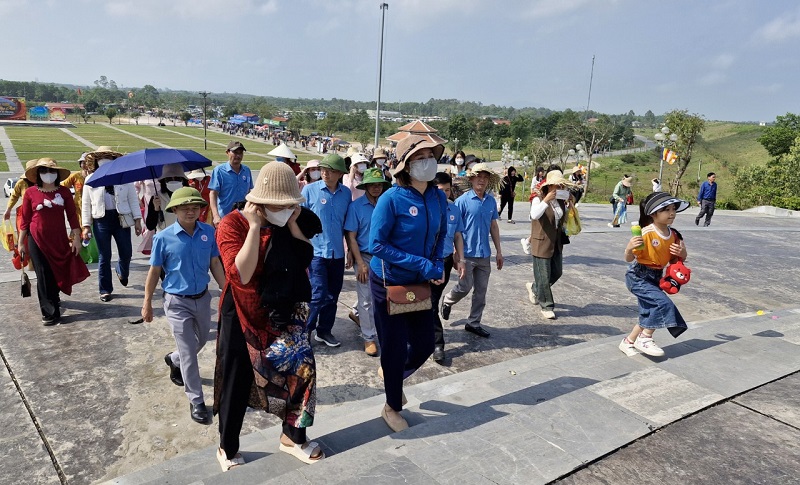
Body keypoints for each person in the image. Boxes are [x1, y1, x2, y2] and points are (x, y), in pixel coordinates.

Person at [214, 162, 323, 471]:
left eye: (292, 204)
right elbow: (242, 275)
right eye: (281, 205)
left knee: (302, 373)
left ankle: (293, 437)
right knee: (236, 381)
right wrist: (252, 227)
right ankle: (226, 447)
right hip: (243, 312)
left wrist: (290, 223)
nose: (287, 209)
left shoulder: (287, 222)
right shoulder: (232, 225)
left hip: (284, 311)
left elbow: (305, 256)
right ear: (260, 201)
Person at [369, 134, 447, 432]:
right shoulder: (391, 198)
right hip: (390, 282)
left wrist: (437, 262)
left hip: (421, 282)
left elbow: (440, 234)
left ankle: (393, 375)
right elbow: (376, 245)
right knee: (394, 347)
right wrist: (422, 264)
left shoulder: (439, 196)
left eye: (431, 155)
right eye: (420, 157)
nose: (428, 161)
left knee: (425, 343)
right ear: (405, 165)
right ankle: (391, 406)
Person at [141, 187, 225, 424]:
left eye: (195, 207)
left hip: (202, 298)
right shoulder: (163, 238)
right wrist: (146, 302)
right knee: (190, 352)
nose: (191, 211)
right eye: (185, 208)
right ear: (174, 209)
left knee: (199, 341)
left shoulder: (208, 232)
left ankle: (173, 359)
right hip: (177, 302)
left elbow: (215, 263)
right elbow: (155, 271)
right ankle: (196, 399)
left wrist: (225, 288)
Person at [18, 158, 90, 325]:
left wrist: (77, 239)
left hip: (58, 239)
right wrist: (21, 243)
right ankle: (49, 312)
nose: (48, 175)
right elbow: (25, 220)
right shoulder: (30, 193)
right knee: (42, 274)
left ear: (57, 173)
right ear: (37, 174)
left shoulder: (64, 192)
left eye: (51, 171)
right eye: (43, 171)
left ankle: (54, 296)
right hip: (37, 239)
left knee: (57, 270)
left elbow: (72, 217)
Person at [620, 192, 689, 357]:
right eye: (666, 209)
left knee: (648, 313)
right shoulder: (646, 233)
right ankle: (645, 338)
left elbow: (680, 259)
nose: (671, 213)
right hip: (638, 276)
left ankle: (628, 342)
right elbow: (629, 258)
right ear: (653, 214)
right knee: (663, 304)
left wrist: (682, 252)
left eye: (673, 209)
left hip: (656, 276)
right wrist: (629, 248)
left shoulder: (674, 235)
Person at [441, 162, 503, 338]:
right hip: (466, 253)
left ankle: (473, 322)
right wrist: (456, 253)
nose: (481, 180)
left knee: (481, 291)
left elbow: (493, 226)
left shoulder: (490, 201)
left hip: (484, 253)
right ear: (472, 179)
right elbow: (455, 230)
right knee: (465, 287)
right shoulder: (462, 202)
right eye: (478, 177)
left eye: (485, 177)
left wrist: (499, 251)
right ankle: (447, 300)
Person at [301, 153, 351, 347]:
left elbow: (348, 225)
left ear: (340, 174)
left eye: (330, 171)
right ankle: (306, 331)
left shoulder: (345, 193)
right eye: (322, 170)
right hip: (316, 252)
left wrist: (351, 253)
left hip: (337, 253)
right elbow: (299, 220)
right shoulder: (309, 190)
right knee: (318, 294)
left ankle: (324, 331)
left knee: (332, 295)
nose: (325, 174)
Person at [82, 146, 143, 302]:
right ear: (96, 162)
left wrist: (137, 220)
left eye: (108, 159)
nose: (105, 162)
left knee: (126, 252)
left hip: (121, 218)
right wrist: (86, 225)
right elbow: (86, 203)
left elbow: (133, 199)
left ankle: (122, 271)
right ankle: (105, 289)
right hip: (101, 220)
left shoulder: (123, 177)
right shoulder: (91, 179)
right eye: (101, 159)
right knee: (105, 256)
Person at [344, 168, 390, 357]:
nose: (376, 188)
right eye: (372, 184)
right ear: (366, 186)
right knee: (366, 299)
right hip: (364, 255)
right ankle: (369, 337)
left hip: (385, 257)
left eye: (379, 184)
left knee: (383, 296)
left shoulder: (388, 205)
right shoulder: (356, 207)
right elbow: (351, 236)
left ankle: (361, 317)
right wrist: (360, 263)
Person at [528, 170, 575, 320]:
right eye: (557, 185)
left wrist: (570, 204)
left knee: (557, 272)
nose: (560, 187)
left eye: (562, 185)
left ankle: (535, 288)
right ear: (549, 186)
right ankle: (547, 305)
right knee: (543, 275)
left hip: (556, 241)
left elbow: (562, 218)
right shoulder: (538, 198)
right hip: (541, 241)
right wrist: (546, 200)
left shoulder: (561, 200)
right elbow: (534, 215)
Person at [430, 172, 465, 364]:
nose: (444, 194)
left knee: (431, 302)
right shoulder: (425, 207)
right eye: (440, 190)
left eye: (447, 190)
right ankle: (430, 340)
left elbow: (458, 235)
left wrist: (461, 259)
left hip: (444, 261)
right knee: (423, 302)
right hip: (424, 262)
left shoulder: (454, 209)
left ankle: (437, 344)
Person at [209, 141, 253, 227]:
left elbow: (249, 192)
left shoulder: (246, 170)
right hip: (225, 217)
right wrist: (215, 215)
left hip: (243, 217)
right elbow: (213, 194)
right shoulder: (219, 171)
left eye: (240, 153)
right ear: (227, 152)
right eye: (235, 153)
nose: (238, 156)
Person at [5, 159, 39, 231]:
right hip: (25, 212)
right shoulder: (22, 182)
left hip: (40, 213)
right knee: (23, 232)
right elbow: (14, 196)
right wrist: (8, 209)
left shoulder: (45, 183)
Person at [61, 153, 88, 226]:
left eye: (87, 162)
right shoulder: (75, 176)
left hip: (92, 207)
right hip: (78, 207)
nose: (85, 164)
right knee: (78, 226)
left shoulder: (95, 175)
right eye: (83, 162)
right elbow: (63, 186)